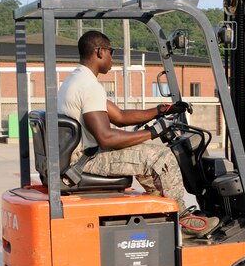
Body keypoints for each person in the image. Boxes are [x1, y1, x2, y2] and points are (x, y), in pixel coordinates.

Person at [57, 30, 219, 237]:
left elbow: (120, 116)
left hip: (80, 155)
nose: (112, 58)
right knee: (160, 156)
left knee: (146, 153)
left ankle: (161, 215)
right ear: (98, 52)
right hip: (84, 161)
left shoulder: (77, 80)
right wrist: (152, 131)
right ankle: (184, 221)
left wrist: (162, 110)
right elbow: (106, 137)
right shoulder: (88, 86)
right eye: (110, 52)